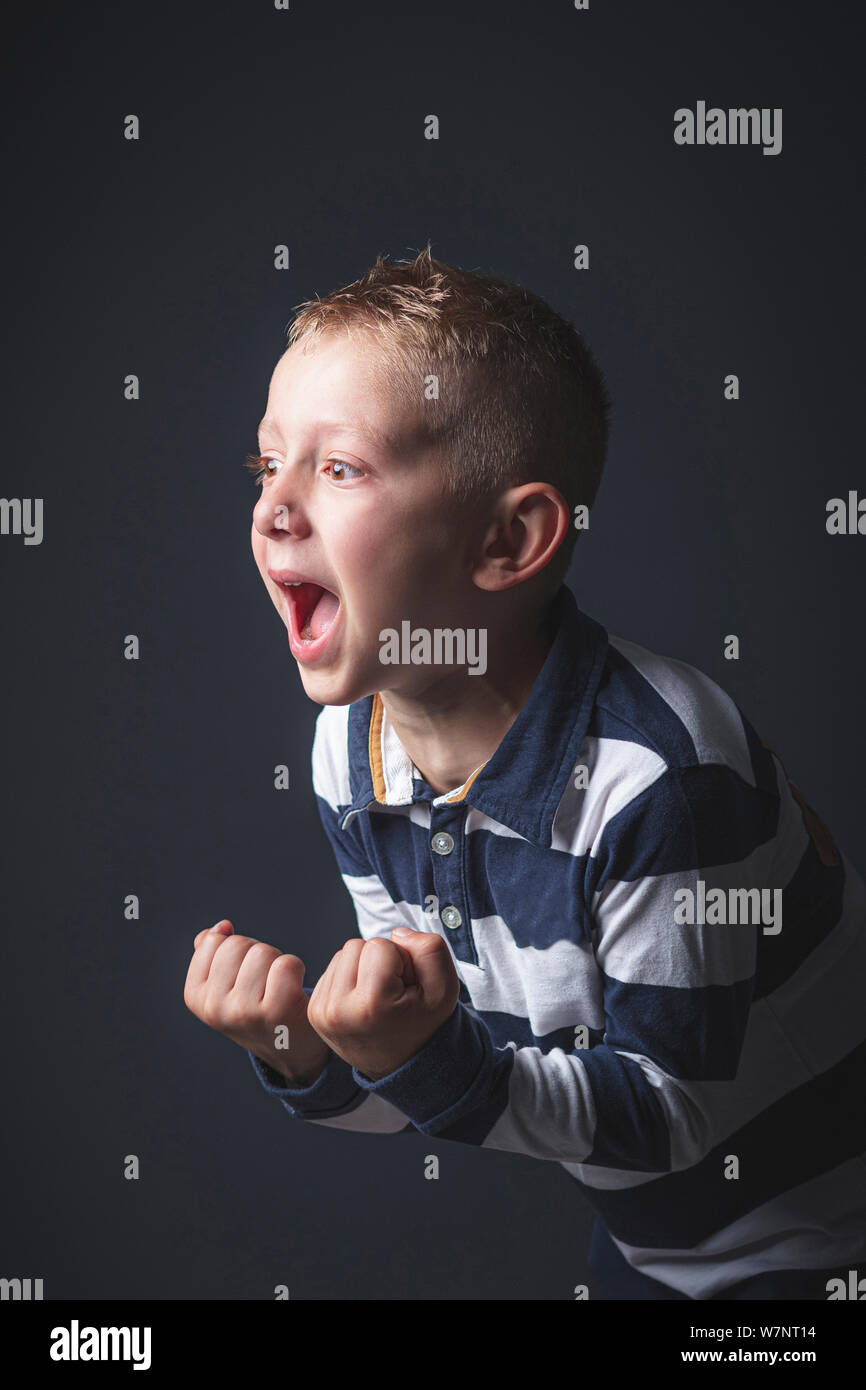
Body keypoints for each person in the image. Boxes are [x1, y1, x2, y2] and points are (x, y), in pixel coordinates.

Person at [184, 247, 866, 1300]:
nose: (275, 506)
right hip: (652, 1245)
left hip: (816, 1248)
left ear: (508, 540)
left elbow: (667, 1115)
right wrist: (301, 1049)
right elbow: (428, 1070)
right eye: (265, 463)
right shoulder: (349, 756)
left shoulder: (659, 777)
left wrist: (422, 1054)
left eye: (340, 467)